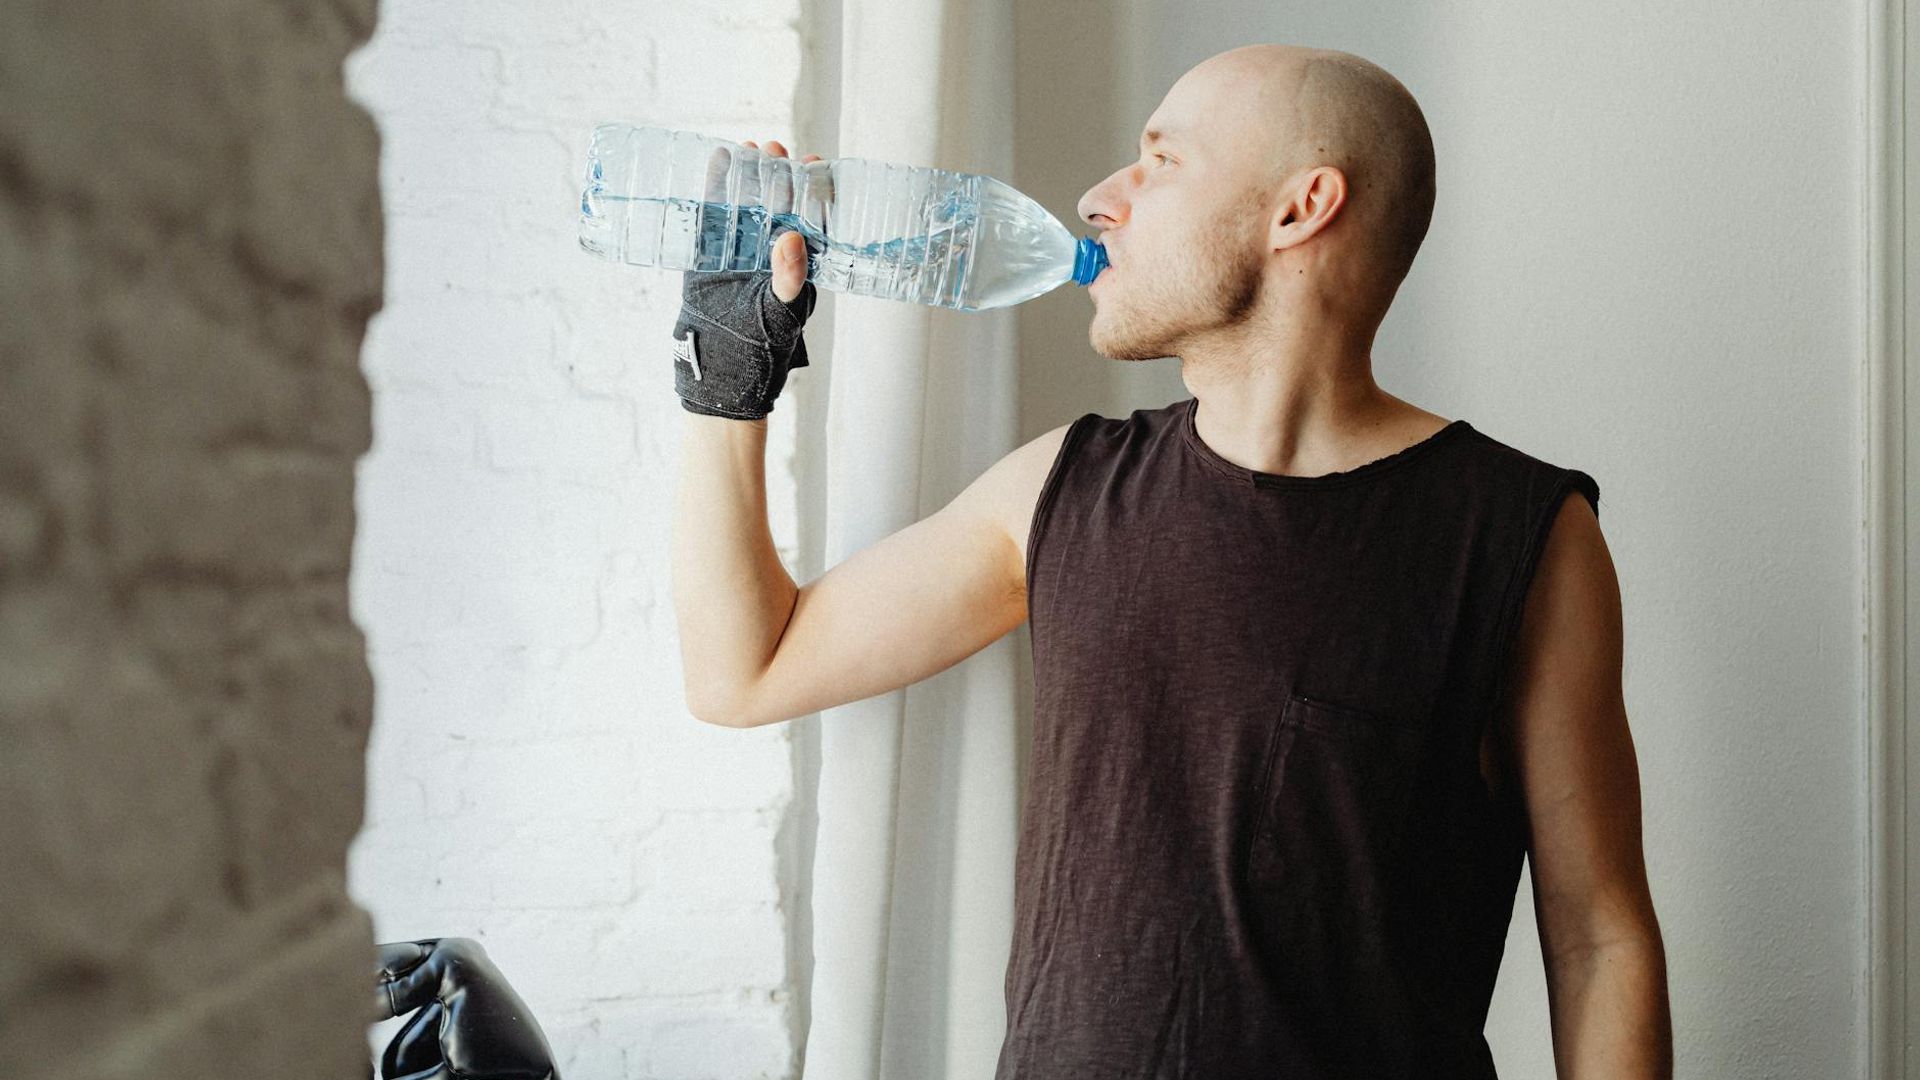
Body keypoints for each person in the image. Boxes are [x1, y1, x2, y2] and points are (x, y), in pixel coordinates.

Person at [670, 43, 1671, 1080]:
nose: (1104, 199)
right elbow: (747, 669)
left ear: (1301, 209)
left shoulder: (1521, 536)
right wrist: (724, 384)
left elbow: (1599, 939)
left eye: (1163, 161)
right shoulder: (1058, 490)